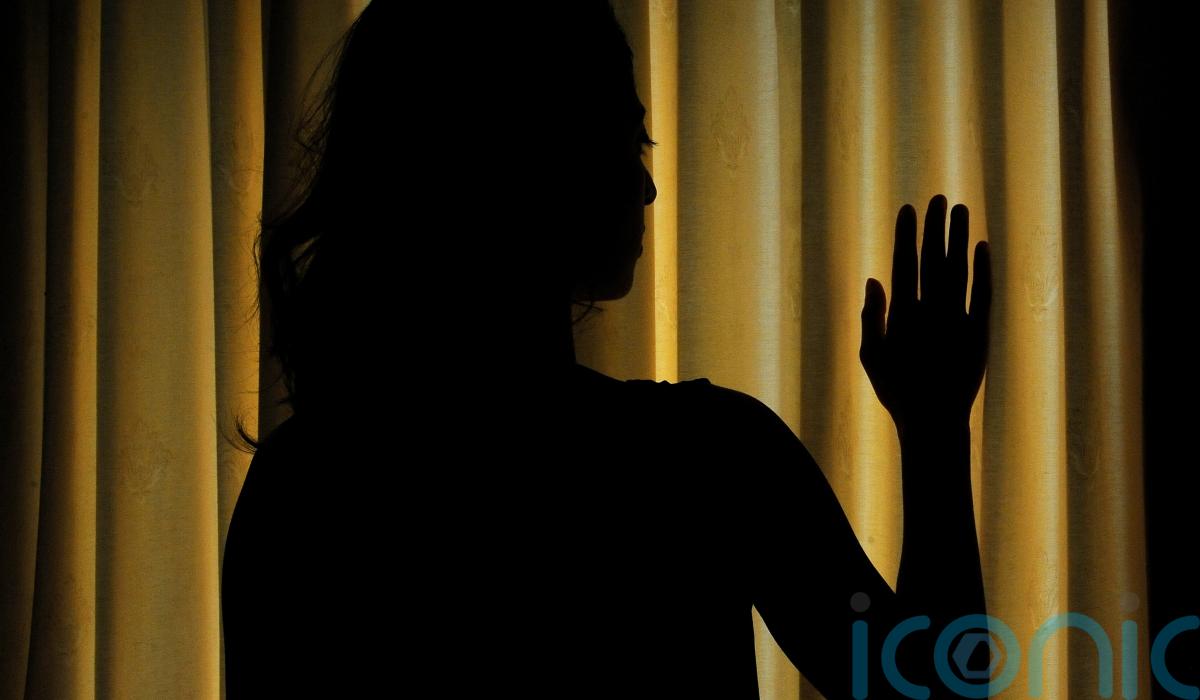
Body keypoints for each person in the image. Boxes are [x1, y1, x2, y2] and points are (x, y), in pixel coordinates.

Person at [221, 2, 992, 697]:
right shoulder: (707, 456)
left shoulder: (302, 489)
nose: (647, 187)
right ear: (536, 157)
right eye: (628, 139)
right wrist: (933, 432)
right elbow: (933, 691)